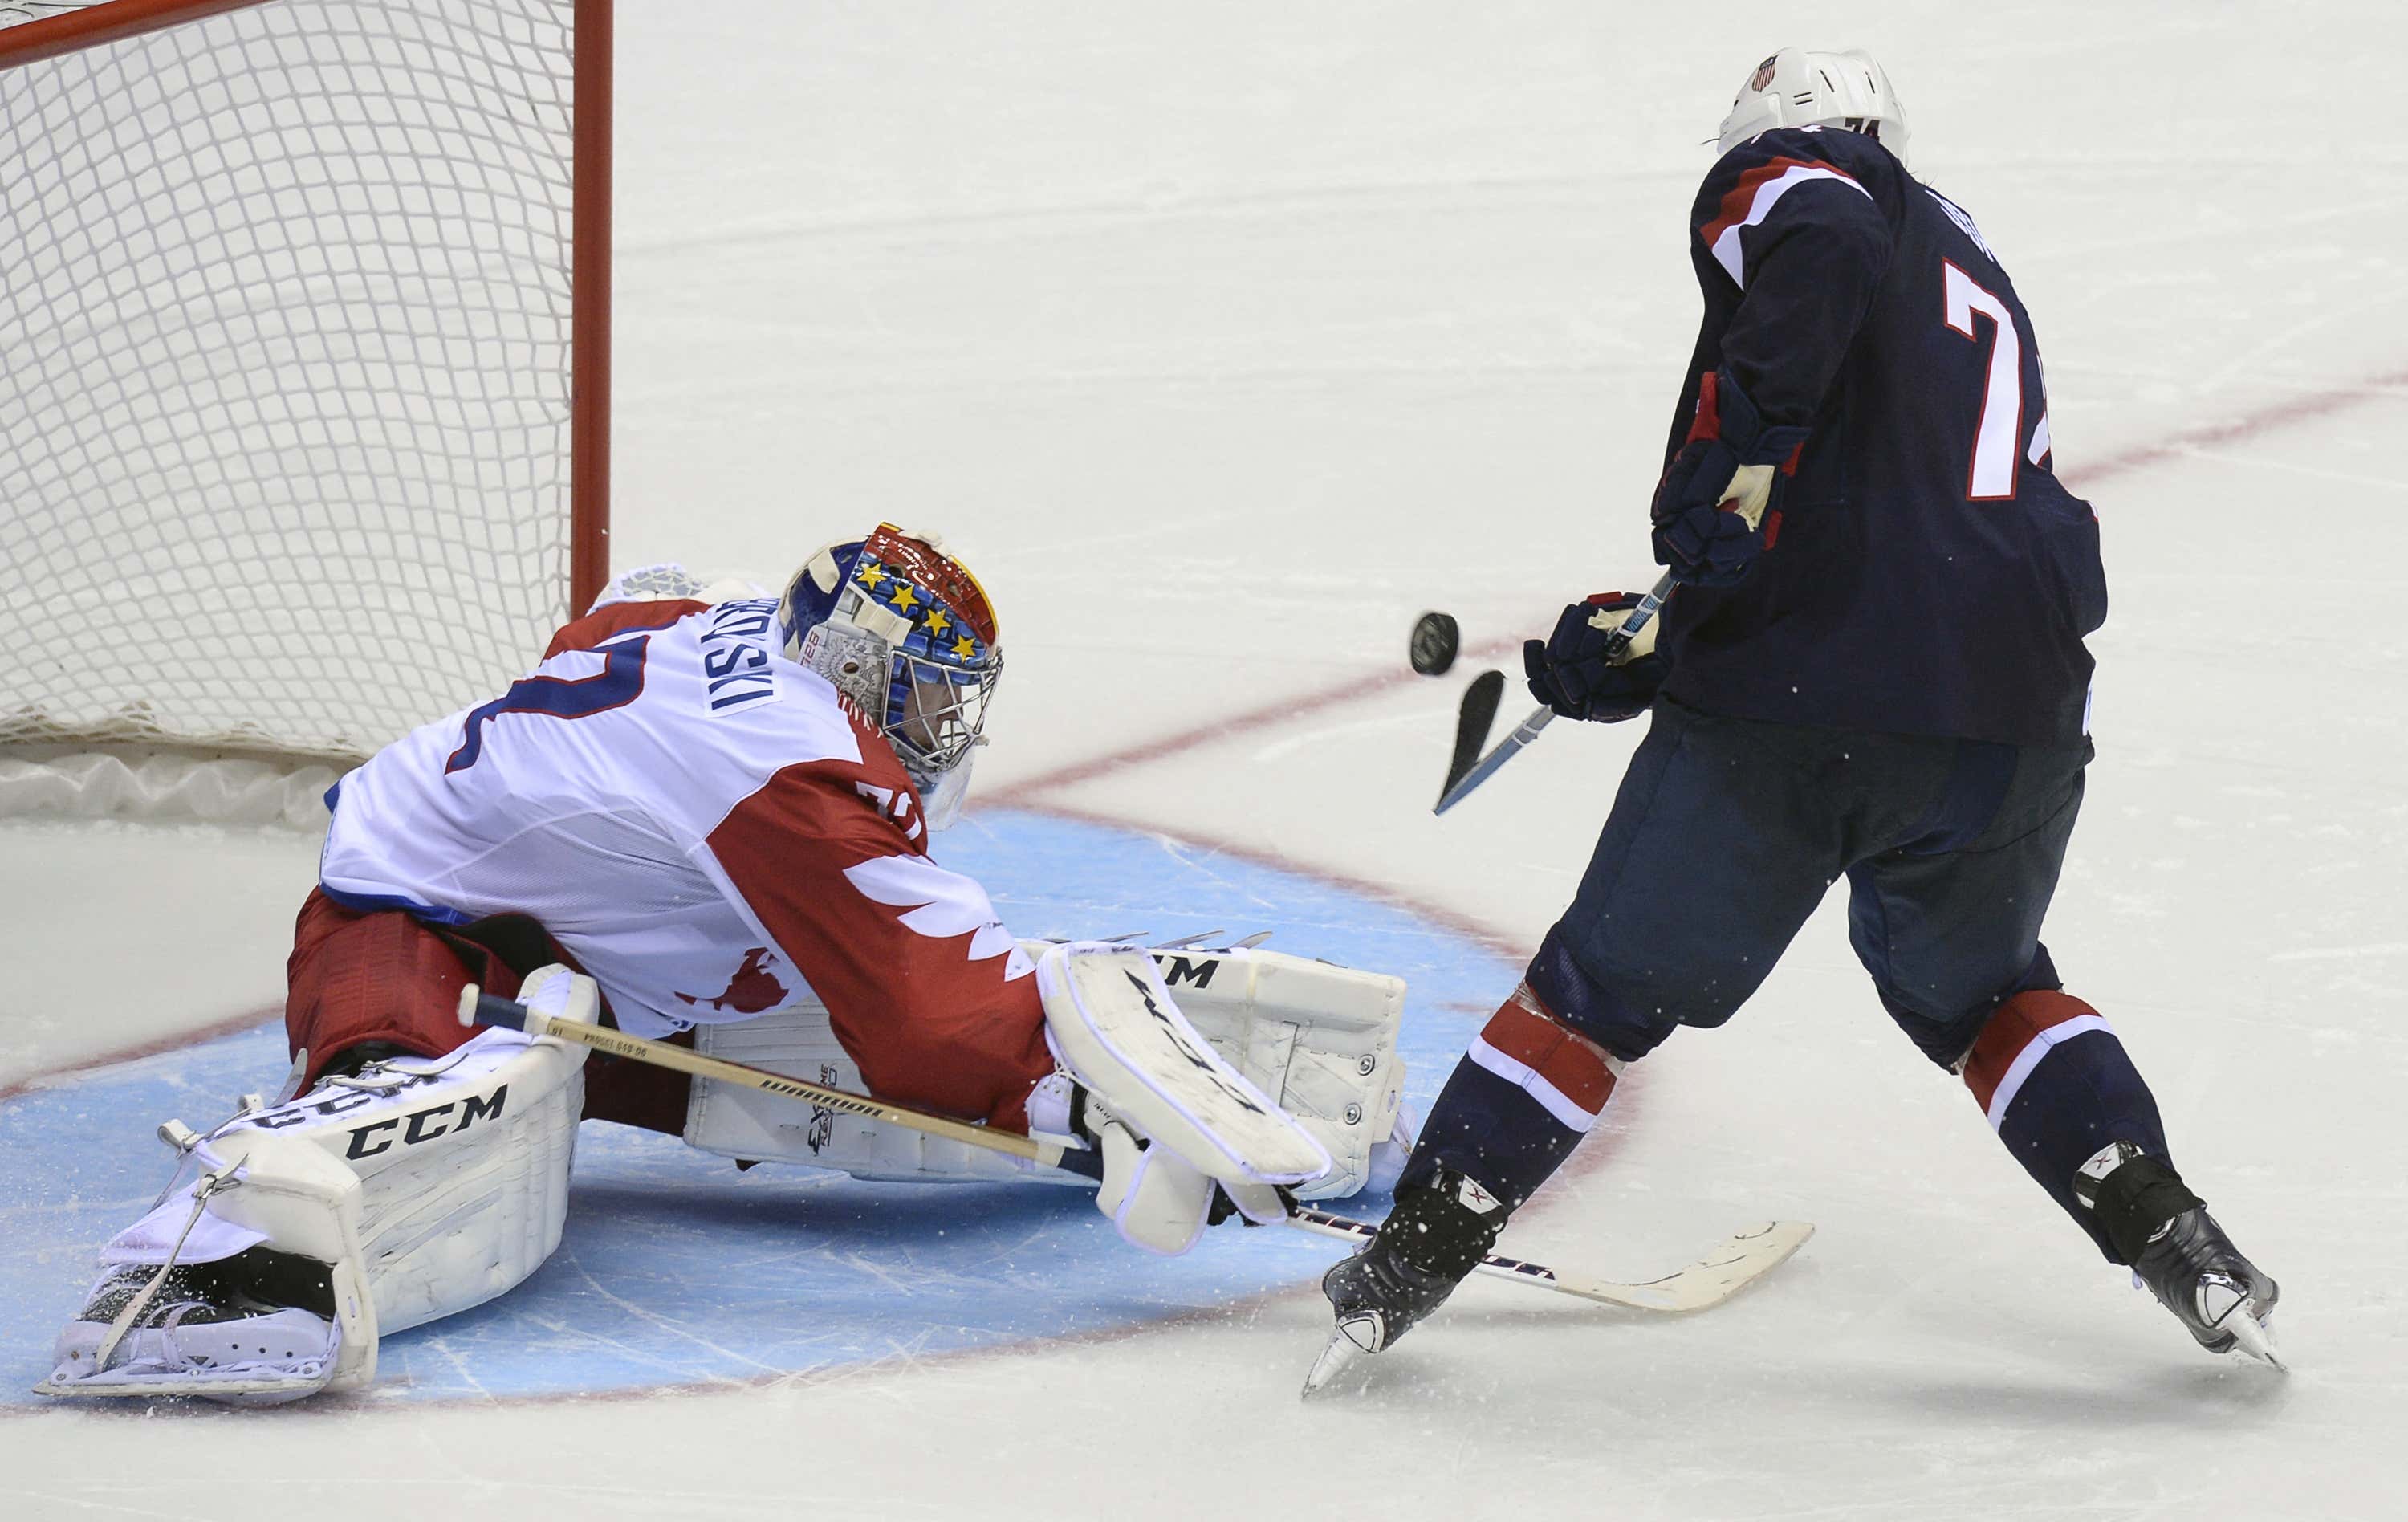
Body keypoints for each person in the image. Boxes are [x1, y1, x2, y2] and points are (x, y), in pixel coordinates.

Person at [1309, 48, 2279, 1391]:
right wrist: (1669, 626)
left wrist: (1729, 475)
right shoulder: (1963, 259)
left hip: (1801, 714)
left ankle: (1407, 1261)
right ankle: (2178, 1240)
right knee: (1992, 993)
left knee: (1592, 996)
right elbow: (1880, 530)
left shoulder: (1807, 180)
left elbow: (1806, 251)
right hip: (2013, 715)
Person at [41, 526, 1396, 1404]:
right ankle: (218, 1252)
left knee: (746, 971)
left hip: (570, 892)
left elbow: (623, 606)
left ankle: (640, 1010)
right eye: (928, 695)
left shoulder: (743, 620)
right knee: (454, 1041)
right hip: (414, 910)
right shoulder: (789, 775)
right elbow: (930, 1025)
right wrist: (1072, 1090)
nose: (945, 727)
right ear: (861, 670)